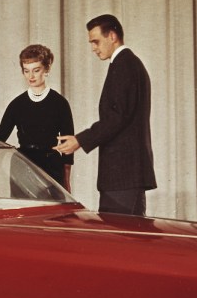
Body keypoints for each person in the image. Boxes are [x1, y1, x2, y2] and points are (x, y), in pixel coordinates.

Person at [53, 14, 156, 215]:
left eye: (96, 41)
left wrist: (79, 140)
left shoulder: (124, 65)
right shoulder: (128, 64)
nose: (93, 48)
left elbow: (117, 117)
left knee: (123, 239)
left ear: (112, 36)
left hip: (123, 174)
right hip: (124, 174)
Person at [0, 44, 74, 190]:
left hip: (51, 167)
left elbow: (68, 144)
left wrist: (66, 180)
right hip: (22, 165)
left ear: (47, 69)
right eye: (26, 71)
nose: (31, 76)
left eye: (36, 70)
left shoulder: (59, 103)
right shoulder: (16, 104)